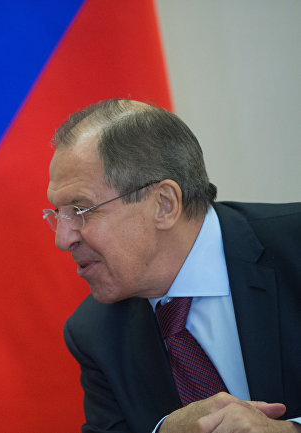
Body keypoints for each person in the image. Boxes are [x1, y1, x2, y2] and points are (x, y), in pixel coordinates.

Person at [45, 99, 301, 432]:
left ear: (164, 204)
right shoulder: (96, 332)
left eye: (80, 211)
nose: (62, 239)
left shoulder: (294, 246)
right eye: (57, 214)